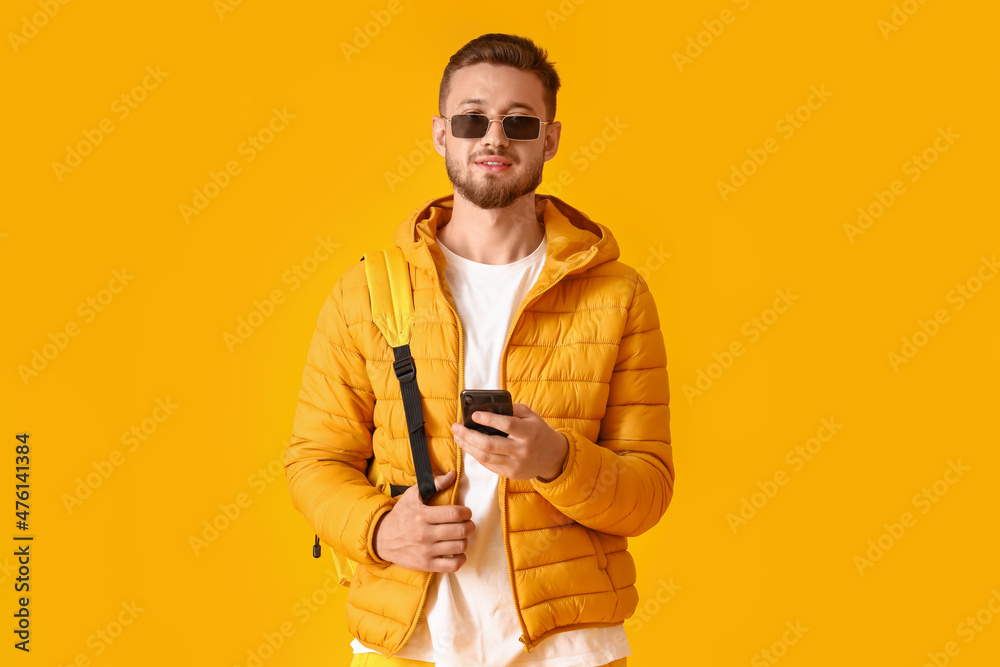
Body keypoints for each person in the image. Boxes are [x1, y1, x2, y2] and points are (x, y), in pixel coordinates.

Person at [285, 32, 674, 667]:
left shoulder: (618, 294)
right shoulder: (369, 290)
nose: (493, 138)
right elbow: (314, 461)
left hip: (569, 647)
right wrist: (381, 530)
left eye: (519, 123)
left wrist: (557, 459)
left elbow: (648, 491)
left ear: (549, 138)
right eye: (473, 119)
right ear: (442, 134)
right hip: (408, 643)